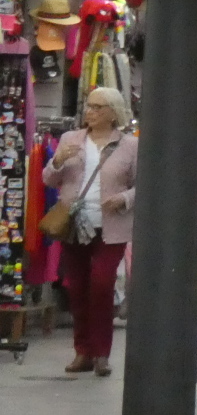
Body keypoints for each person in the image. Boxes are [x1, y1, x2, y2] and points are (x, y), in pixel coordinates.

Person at [48, 88, 139, 378]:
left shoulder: (129, 145)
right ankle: (83, 351)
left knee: (101, 284)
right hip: (74, 224)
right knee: (77, 287)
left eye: (98, 107)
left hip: (110, 227)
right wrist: (57, 161)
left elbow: (142, 184)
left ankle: (101, 353)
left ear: (113, 112)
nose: (91, 111)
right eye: (89, 106)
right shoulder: (70, 139)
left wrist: (123, 198)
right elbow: (49, 179)